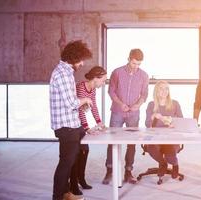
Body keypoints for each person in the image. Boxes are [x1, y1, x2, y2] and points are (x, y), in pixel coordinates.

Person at [50, 40, 93, 200]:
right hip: (66, 126)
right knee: (66, 163)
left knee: (69, 160)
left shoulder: (65, 72)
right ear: (74, 57)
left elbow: (69, 101)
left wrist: (80, 103)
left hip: (70, 123)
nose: (82, 64)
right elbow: (71, 103)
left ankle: (65, 193)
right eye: (81, 60)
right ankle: (58, 196)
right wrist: (85, 100)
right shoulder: (63, 74)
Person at [102, 48, 149, 185]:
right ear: (128, 59)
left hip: (133, 113)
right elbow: (111, 91)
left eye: (139, 64)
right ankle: (109, 170)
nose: (136, 67)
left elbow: (144, 94)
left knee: (131, 142)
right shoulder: (117, 72)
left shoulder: (144, 75)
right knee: (112, 141)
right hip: (117, 111)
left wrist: (138, 105)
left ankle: (128, 171)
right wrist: (120, 103)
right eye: (134, 63)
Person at [69, 66, 107, 195]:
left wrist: (99, 122)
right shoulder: (81, 87)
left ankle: (81, 179)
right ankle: (73, 184)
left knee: (85, 151)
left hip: (80, 125)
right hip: (73, 124)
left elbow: (93, 106)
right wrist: (87, 128)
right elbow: (80, 110)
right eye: (103, 80)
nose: (103, 83)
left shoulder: (92, 90)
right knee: (75, 154)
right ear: (95, 78)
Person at [145, 81, 183, 178]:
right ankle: (163, 163)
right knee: (152, 148)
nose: (164, 91)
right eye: (161, 88)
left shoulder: (175, 104)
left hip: (171, 137)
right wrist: (153, 117)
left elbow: (182, 122)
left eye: (166, 88)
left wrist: (173, 124)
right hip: (155, 137)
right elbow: (147, 125)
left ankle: (175, 164)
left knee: (170, 153)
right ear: (156, 91)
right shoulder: (151, 104)